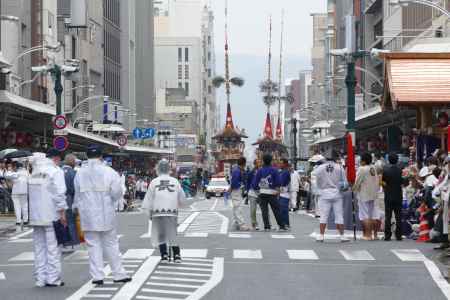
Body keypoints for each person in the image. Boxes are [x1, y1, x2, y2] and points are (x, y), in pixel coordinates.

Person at [73, 145, 131, 285]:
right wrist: (109, 199)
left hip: (87, 214)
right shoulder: (109, 171)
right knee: (111, 244)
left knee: (93, 245)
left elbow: (77, 194)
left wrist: (78, 208)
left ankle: (97, 276)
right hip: (106, 213)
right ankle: (118, 274)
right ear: (101, 156)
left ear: (87, 156)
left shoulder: (80, 173)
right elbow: (117, 192)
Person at [28, 152, 67, 287]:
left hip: (35, 216)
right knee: (53, 248)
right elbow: (59, 193)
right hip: (51, 215)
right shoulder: (55, 171)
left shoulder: (34, 172)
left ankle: (40, 278)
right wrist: (62, 213)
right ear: (55, 159)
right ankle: (53, 278)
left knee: (39, 248)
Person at [142, 159, 186, 262]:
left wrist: (149, 213)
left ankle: (164, 255)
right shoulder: (175, 181)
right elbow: (182, 198)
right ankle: (177, 255)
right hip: (172, 212)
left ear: (158, 169)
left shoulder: (154, 182)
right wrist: (179, 204)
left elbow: (149, 199)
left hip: (158, 212)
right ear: (168, 169)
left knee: (161, 234)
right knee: (172, 233)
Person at [312, 150, 349, 242]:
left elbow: (314, 178)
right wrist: (341, 189)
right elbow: (344, 182)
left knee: (324, 215)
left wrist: (319, 189)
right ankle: (342, 236)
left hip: (324, 193)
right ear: (335, 158)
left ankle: (321, 235)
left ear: (325, 158)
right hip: (337, 193)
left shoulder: (320, 168)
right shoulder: (340, 168)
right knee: (339, 215)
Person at [253, 153, 284, 231]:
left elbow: (255, 183)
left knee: (264, 210)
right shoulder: (274, 170)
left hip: (262, 192)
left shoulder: (260, 170)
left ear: (263, 161)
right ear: (271, 161)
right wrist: (277, 190)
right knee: (276, 209)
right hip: (272, 192)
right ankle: (281, 226)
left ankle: (267, 226)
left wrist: (257, 190)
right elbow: (278, 181)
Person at [353, 153, 379, 241]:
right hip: (373, 193)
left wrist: (353, 189)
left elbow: (357, 182)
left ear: (363, 161)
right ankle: (373, 234)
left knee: (364, 215)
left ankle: (368, 235)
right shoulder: (373, 168)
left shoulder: (362, 169)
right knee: (372, 215)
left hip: (364, 194)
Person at [382, 153, 404, 241]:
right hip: (398, 195)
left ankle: (387, 235)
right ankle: (398, 235)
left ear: (389, 160)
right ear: (397, 160)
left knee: (388, 216)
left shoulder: (386, 170)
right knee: (398, 216)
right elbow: (403, 182)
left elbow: (382, 182)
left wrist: (386, 187)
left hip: (388, 195)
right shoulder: (400, 170)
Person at [62, 154, 80, 247]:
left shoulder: (59, 171)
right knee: (71, 220)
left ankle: (63, 240)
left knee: (62, 220)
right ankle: (73, 239)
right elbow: (75, 189)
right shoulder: (73, 173)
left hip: (59, 199)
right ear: (72, 162)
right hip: (69, 198)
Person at [4, 161, 29, 226]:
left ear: (16, 167)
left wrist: (9, 170)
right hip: (24, 191)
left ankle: (18, 221)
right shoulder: (26, 173)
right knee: (25, 206)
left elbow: (6, 175)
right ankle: (26, 220)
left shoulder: (16, 174)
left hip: (16, 192)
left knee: (17, 206)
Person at [230, 157, 249, 231]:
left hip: (236, 191)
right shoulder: (237, 171)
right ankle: (242, 225)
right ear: (244, 163)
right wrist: (241, 186)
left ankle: (236, 224)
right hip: (236, 190)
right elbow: (235, 183)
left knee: (236, 207)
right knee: (238, 208)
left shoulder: (237, 170)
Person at [246, 159, 260, 230]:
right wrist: (247, 191)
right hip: (252, 192)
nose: (259, 164)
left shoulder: (263, 171)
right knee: (253, 209)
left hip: (262, 192)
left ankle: (268, 224)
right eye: (257, 163)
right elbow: (248, 182)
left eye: (260, 162)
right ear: (255, 164)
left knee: (265, 209)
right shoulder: (251, 172)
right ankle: (254, 224)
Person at [279, 159, 291, 229]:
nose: (280, 164)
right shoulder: (282, 171)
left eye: (281, 163)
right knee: (282, 209)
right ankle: (284, 223)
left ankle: (285, 223)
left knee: (283, 209)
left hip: (285, 192)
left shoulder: (286, 172)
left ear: (285, 164)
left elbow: (282, 182)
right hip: (282, 192)